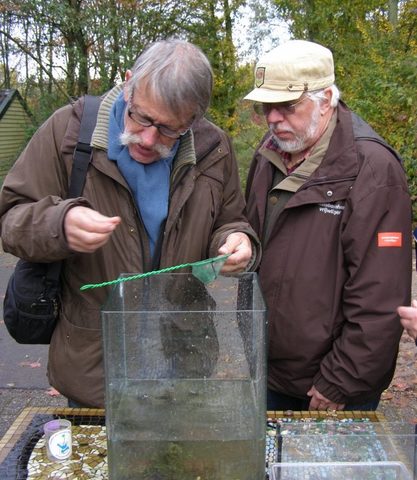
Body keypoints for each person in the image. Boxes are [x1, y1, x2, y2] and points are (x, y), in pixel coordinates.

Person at [0, 39, 260, 408]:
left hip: (182, 359)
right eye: (141, 117)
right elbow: (10, 216)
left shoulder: (213, 150)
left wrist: (236, 240)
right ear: (127, 83)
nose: (148, 138)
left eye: (170, 129)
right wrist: (60, 223)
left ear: (194, 119)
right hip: (97, 364)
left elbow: (231, 219)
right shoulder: (69, 134)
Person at [243, 39, 412, 411]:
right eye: (266, 106)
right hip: (269, 372)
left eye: (287, 105)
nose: (273, 118)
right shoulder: (267, 154)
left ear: (326, 99)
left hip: (331, 388)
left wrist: (341, 381)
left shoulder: (372, 169)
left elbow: (380, 296)